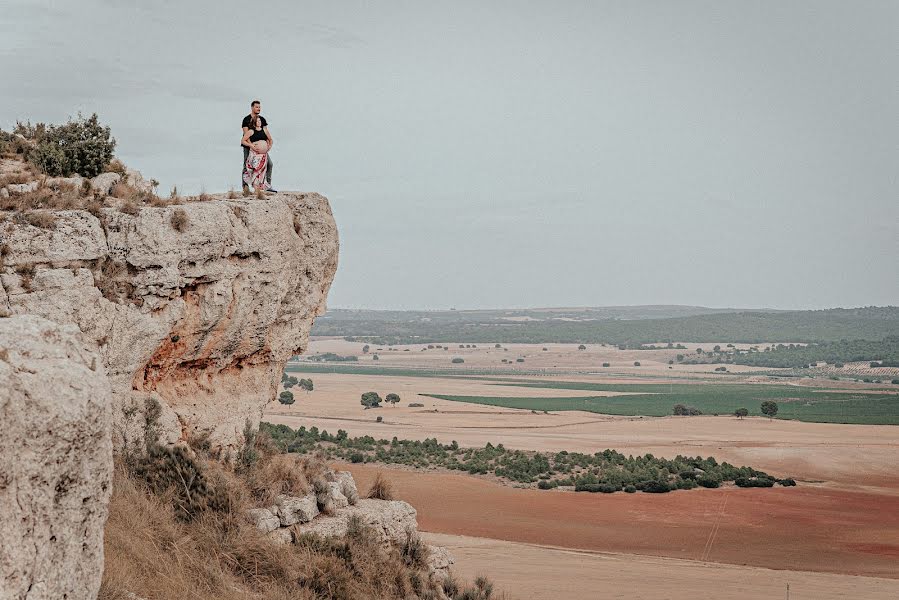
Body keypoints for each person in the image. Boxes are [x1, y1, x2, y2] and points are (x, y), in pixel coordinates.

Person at [241, 100, 277, 193]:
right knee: (247, 166)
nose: (259, 109)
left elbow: (265, 133)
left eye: (259, 107)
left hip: (262, 151)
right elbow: (246, 134)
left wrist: (267, 146)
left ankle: (267, 185)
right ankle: (245, 188)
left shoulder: (262, 120)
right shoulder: (246, 119)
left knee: (269, 164)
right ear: (252, 107)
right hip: (250, 147)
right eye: (257, 107)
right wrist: (252, 146)